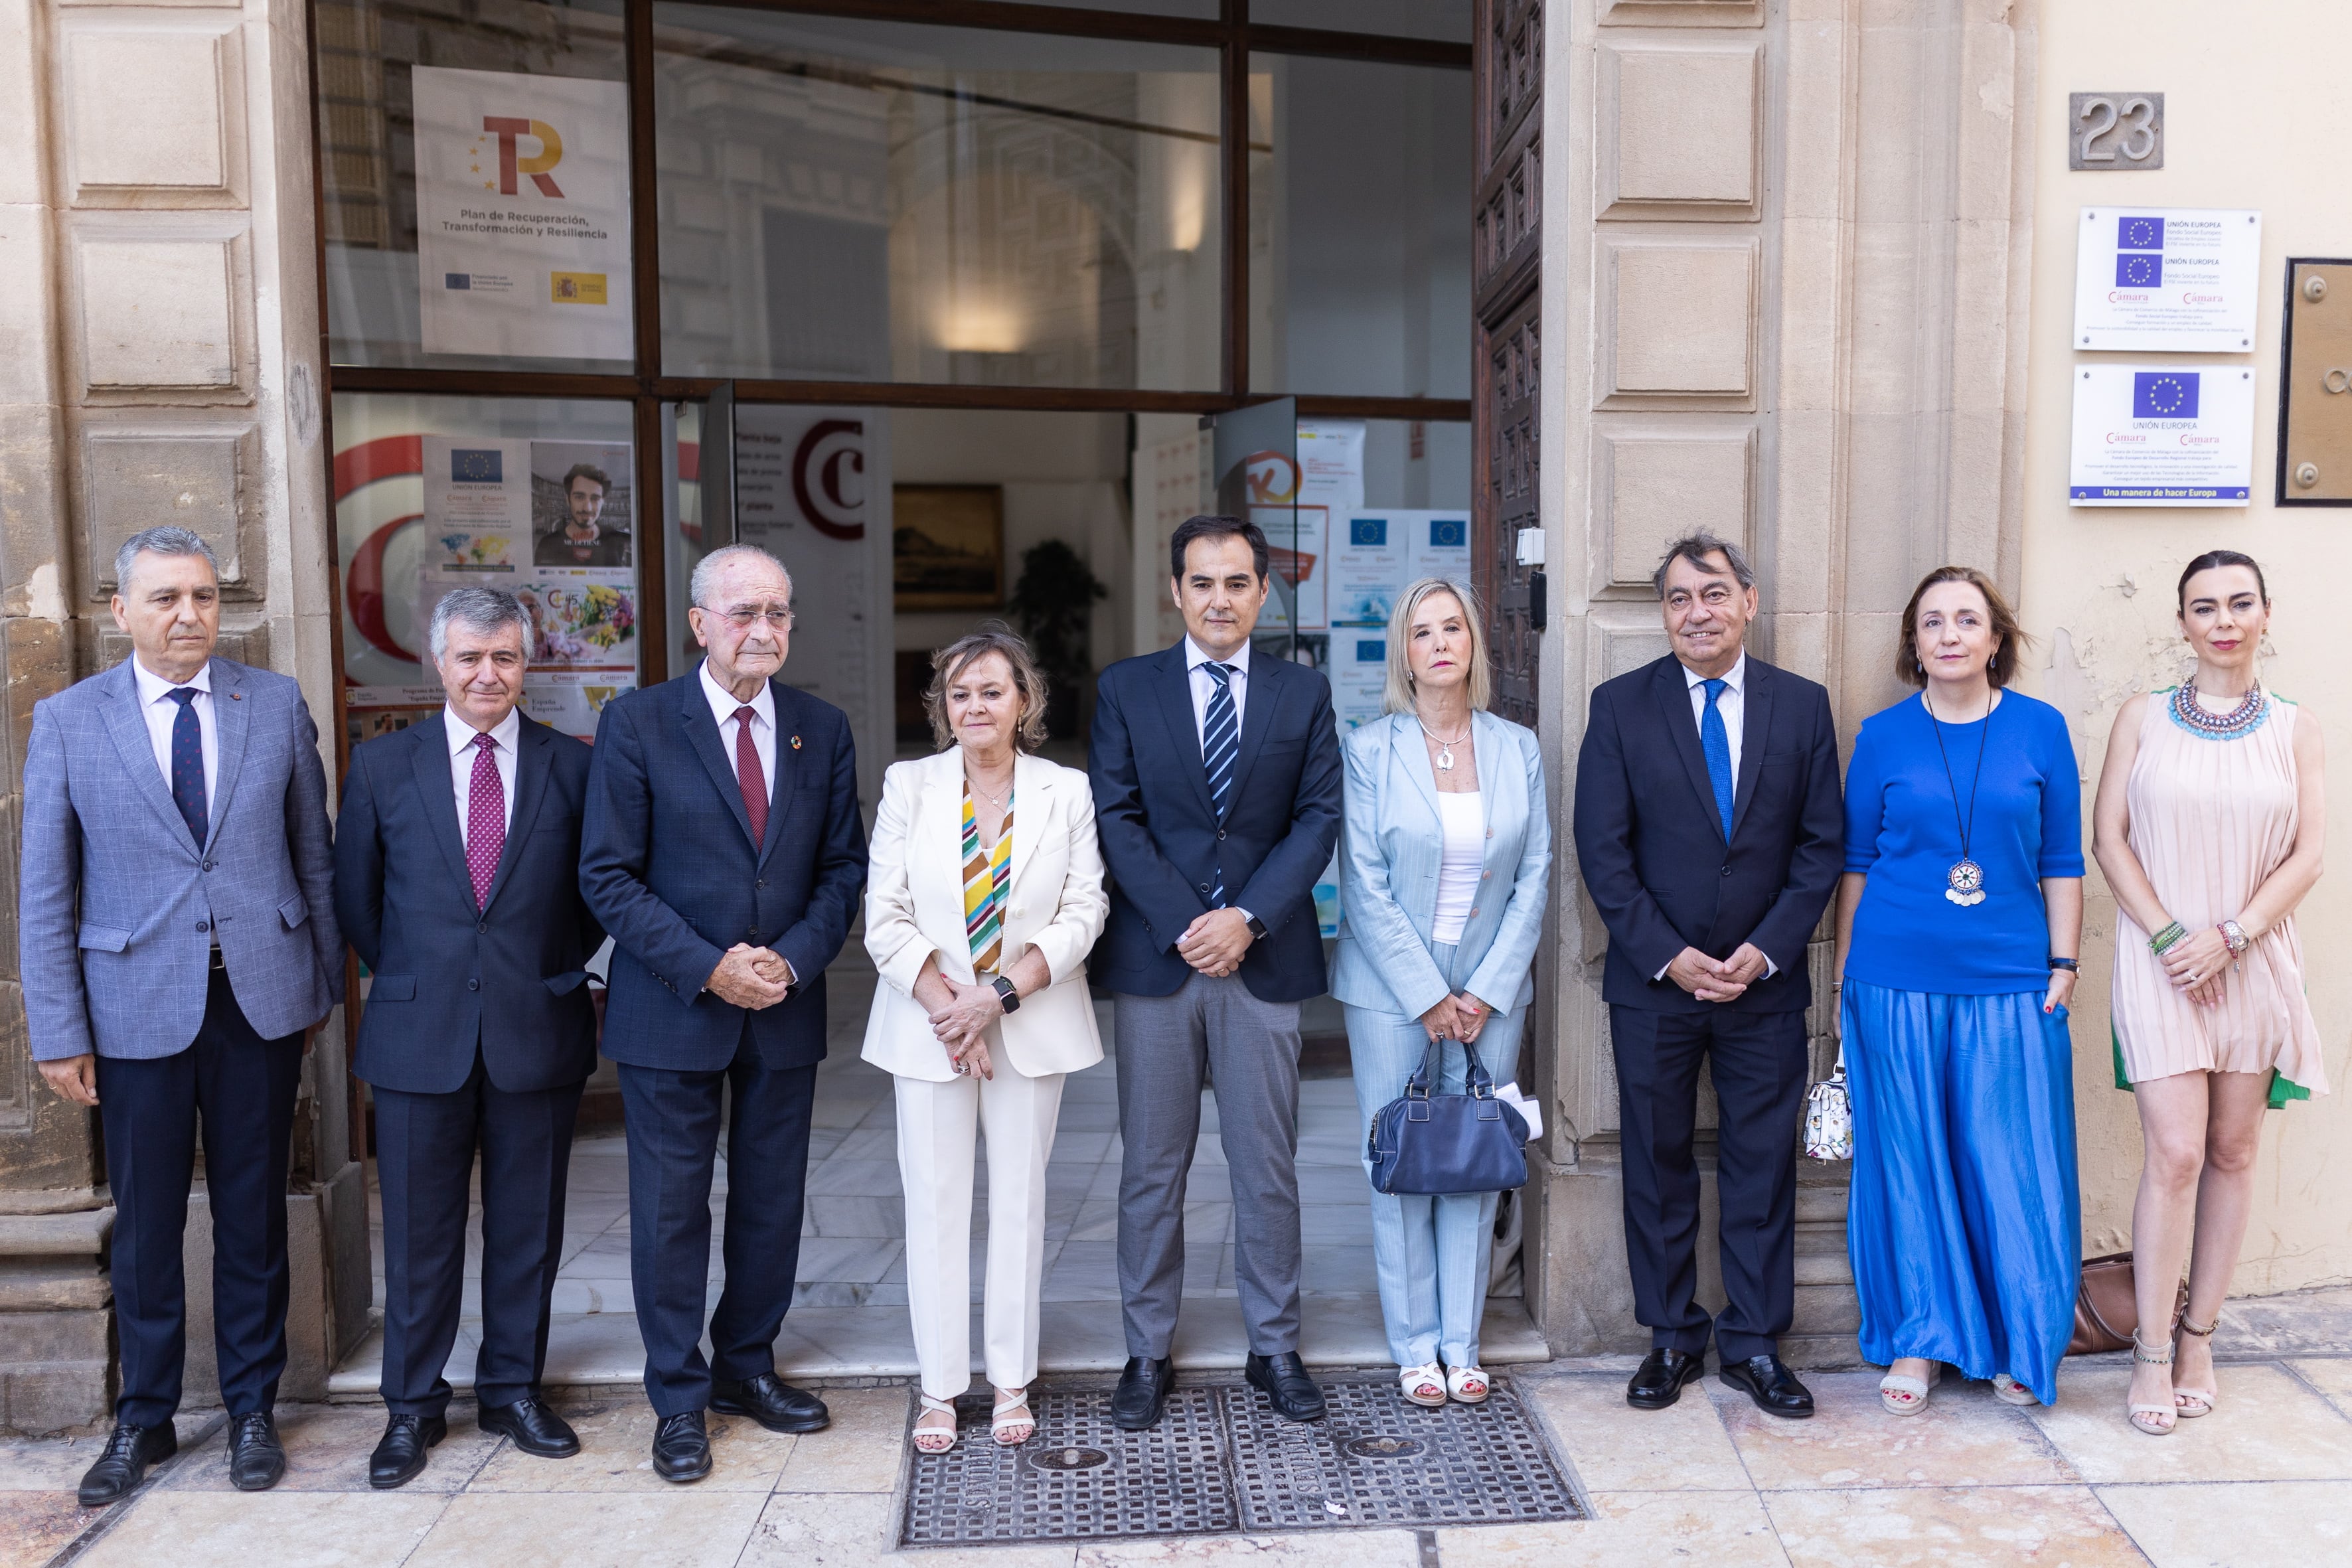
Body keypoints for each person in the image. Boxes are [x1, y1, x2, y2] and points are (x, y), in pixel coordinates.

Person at [22, 527, 343, 1504]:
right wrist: (58, 1027)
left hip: (259, 1003)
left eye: (202, 596)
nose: (188, 615)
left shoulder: (274, 704)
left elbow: (313, 860)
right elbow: (44, 889)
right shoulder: (70, 720)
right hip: (130, 1009)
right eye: (164, 598)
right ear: (120, 612)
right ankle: (144, 1417)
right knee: (149, 1221)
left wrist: (322, 984)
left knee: (253, 1212)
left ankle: (252, 1406)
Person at [579, 543, 866, 1482]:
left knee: (771, 1203)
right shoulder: (637, 723)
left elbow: (840, 869)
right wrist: (709, 967)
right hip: (671, 1008)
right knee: (669, 1213)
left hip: (782, 1004)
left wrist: (786, 958)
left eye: (778, 611)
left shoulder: (820, 729)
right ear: (700, 623)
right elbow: (606, 875)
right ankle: (677, 1396)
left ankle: (748, 1366)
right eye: (744, 612)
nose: (764, 629)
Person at [333, 588, 603, 1486]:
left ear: (527, 664)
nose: (488, 674)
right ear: (435, 661)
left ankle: (512, 1388)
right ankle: (411, 1405)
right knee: (418, 1232)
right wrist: (423, 976)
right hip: (419, 1031)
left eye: (505, 657)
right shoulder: (381, 768)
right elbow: (358, 903)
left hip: (538, 1022)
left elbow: (591, 902)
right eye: (469, 657)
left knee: (528, 1227)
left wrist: (537, 970)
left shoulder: (573, 766)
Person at [1571, 532, 1842, 1420]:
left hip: (1761, 984)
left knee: (1760, 1161)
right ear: (1663, 613)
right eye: (1679, 598)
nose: (1697, 611)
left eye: (1713, 593)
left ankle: (1755, 1343)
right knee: (1654, 1162)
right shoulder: (1618, 707)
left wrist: (1765, 948)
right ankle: (1670, 1336)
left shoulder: (1801, 708)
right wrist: (1666, 952)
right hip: (1654, 984)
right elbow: (1601, 852)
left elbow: (1817, 848)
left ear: (1747, 601)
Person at [1089, 514, 1344, 1430]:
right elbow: (1115, 817)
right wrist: (1187, 924)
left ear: (1261, 592)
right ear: (1175, 591)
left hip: (1263, 959)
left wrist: (1245, 918)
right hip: (1159, 964)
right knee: (1150, 1171)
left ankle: (1273, 1346)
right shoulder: (1125, 689)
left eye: (1236, 582)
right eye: (1201, 582)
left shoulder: (1301, 693)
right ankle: (1145, 1351)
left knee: (1264, 1166)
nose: (1218, 599)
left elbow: (1317, 818)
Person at [1835, 566, 2084, 1416]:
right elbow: (1858, 863)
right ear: (1913, 642)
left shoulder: (2042, 731)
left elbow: (2062, 861)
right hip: (1894, 979)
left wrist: (2066, 964)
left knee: (2012, 1163)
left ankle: (2020, 1339)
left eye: (1966, 620)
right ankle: (1920, 1337)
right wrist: (1843, 985)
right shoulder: (1881, 736)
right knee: (1910, 1163)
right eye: (1932, 621)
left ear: (1995, 639)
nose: (1949, 634)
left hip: (2015, 981)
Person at [2092, 550, 2327, 1437]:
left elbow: (2306, 853)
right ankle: (2148, 1348)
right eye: (2203, 606)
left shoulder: (2295, 727)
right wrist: (2166, 937)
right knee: (2176, 1153)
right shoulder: (2140, 718)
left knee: (2231, 1150)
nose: (2221, 619)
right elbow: (2107, 837)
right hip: (2157, 962)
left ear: (2263, 613)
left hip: (2251, 958)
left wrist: (2230, 935)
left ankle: (2198, 1337)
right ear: (2180, 622)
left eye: (2238, 603)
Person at [862, 628, 1109, 1453]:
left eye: (993, 691)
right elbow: (884, 914)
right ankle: (939, 1387)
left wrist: (994, 999)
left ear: (1025, 702)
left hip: (1027, 1021)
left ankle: (1011, 1380)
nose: (976, 705)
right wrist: (951, 1010)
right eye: (960, 692)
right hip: (929, 1025)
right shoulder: (910, 785)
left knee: (1019, 1203)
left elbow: (1086, 910)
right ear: (942, 706)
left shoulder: (1065, 789)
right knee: (933, 1204)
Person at [1332, 578, 1550, 1408]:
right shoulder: (1370, 751)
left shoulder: (1515, 748)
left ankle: (1463, 1343)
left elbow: (1534, 876)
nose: (1439, 643)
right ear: (1405, 654)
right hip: (1390, 993)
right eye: (1421, 632)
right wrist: (1429, 995)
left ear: (1472, 643)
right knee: (1399, 1160)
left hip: (1491, 992)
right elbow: (1364, 884)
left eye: (1451, 626)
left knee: (1472, 1162)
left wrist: (1485, 991)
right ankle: (1414, 1345)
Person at [536, 464, 629, 566]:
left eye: (595, 499)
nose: (587, 508)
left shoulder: (615, 540)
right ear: (568, 500)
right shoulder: (547, 545)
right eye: (579, 497)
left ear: (603, 502)